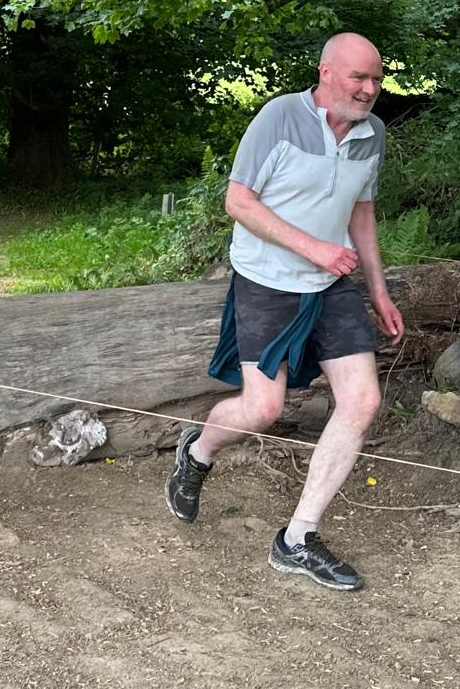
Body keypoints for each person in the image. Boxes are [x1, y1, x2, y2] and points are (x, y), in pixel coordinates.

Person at [165, 32, 404, 591]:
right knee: (263, 408)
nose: (369, 89)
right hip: (267, 281)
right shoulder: (278, 117)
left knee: (363, 400)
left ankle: (298, 538)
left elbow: (361, 213)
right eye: (358, 77)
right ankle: (197, 452)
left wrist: (378, 289)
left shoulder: (372, 133)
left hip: (332, 283)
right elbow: (238, 200)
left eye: (376, 79)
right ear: (326, 73)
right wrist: (313, 246)